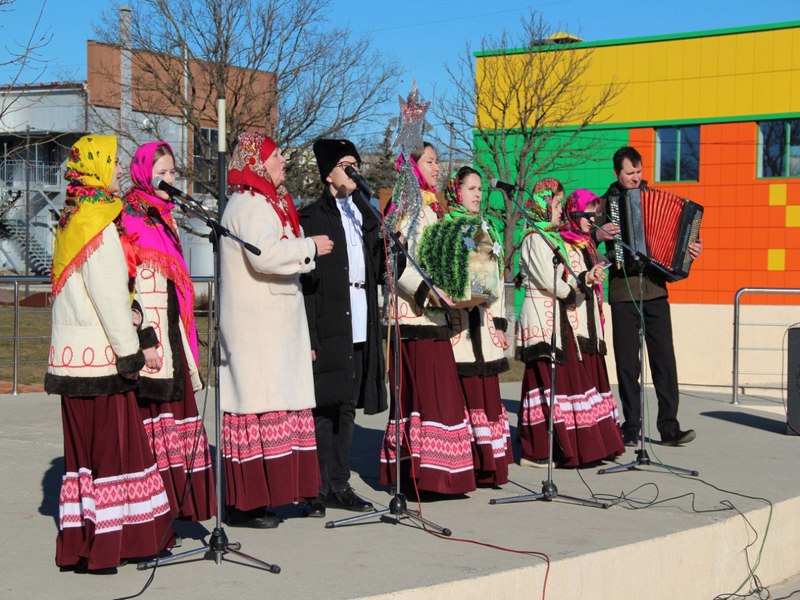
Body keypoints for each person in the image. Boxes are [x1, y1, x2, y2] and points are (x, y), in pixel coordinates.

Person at [46, 134, 173, 572]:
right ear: (98, 169)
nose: (120, 170)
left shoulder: (72, 218)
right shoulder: (99, 223)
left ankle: (82, 543)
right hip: (101, 361)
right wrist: (132, 355)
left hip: (71, 359)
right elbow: (110, 299)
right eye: (114, 163)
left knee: (84, 461)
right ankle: (115, 545)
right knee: (113, 456)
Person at [218, 132, 332, 529]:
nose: (283, 160)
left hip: (273, 327)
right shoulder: (248, 204)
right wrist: (310, 247)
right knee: (257, 407)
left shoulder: (267, 202)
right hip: (257, 330)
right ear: (257, 162)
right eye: (275, 155)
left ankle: (268, 495)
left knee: (274, 407)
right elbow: (264, 255)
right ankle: (246, 503)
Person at [120, 141, 215, 522]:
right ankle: (156, 513)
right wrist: (145, 341)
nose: (170, 178)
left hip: (173, 331)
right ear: (145, 172)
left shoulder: (164, 216)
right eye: (163, 171)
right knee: (155, 425)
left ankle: (181, 507)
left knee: (180, 424)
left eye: (174, 172)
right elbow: (127, 285)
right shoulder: (130, 216)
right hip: (150, 338)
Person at [379, 143, 475, 495]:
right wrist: (427, 291)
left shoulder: (432, 206)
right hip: (413, 318)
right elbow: (397, 260)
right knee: (424, 397)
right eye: (430, 161)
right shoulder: (405, 205)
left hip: (434, 318)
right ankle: (422, 474)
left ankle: (439, 474)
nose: (437, 168)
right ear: (413, 166)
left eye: (437, 161)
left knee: (441, 397)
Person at [299, 139, 388, 518]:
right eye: (345, 165)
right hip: (328, 319)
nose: (353, 171)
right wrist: (311, 336)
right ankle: (317, 487)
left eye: (356, 165)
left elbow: (379, 263)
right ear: (328, 173)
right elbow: (305, 285)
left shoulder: (363, 213)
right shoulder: (310, 217)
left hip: (360, 315)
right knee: (324, 406)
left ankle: (339, 482)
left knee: (347, 405)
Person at [599, 146, 702, 447]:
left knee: (664, 361)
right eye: (629, 173)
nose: (635, 177)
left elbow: (677, 242)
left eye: (639, 171)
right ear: (617, 173)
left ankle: (669, 426)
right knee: (628, 364)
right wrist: (599, 236)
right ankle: (631, 425)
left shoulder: (655, 199)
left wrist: (691, 253)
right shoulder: (604, 205)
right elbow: (590, 249)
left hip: (656, 291)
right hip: (622, 292)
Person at [517, 184, 624, 467]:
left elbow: (566, 279)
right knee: (544, 385)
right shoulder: (534, 238)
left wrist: (585, 278)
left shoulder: (549, 238)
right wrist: (583, 281)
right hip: (542, 319)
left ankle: (560, 446)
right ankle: (538, 449)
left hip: (556, 317)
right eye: (555, 205)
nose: (558, 211)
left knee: (553, 386)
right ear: (541, 204)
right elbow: (556, 284)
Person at [443, 166, 513, 485]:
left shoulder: (487, 229)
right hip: (458, 324)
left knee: (487, 394)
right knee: (467, 393)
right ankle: (470, 464)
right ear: (456, 191)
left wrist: (499, 324)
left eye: (480, 189)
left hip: (483, 322)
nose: (477, 194)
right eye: (471, 188)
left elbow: (496, 279)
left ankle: (491, 464)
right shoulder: (447, 227)